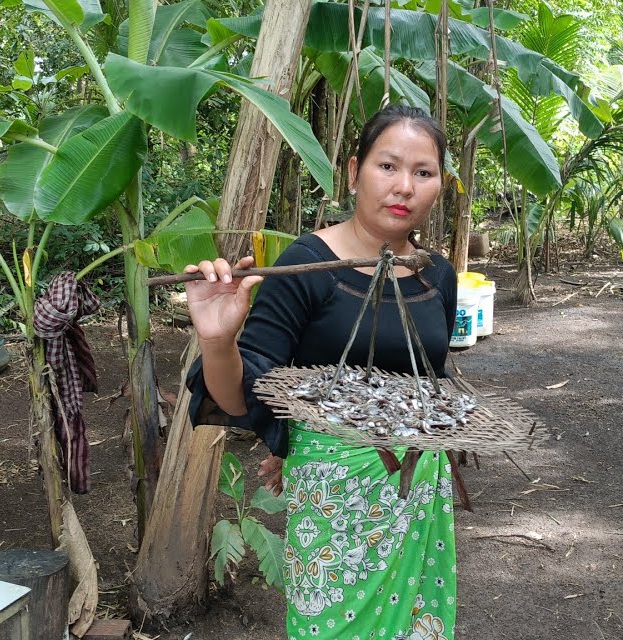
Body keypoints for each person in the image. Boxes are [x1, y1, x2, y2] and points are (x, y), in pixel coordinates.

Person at [183, 105, 460, 640]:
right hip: (334, 498)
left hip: (419, 488)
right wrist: (218, 341)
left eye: (423, 173)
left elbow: (430, 382)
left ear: (438, 187)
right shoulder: (305, 266)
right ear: (353, 171)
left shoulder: (436, 275)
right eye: (388, 167)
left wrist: (284, 446)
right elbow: (243, 397)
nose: (404, 186)